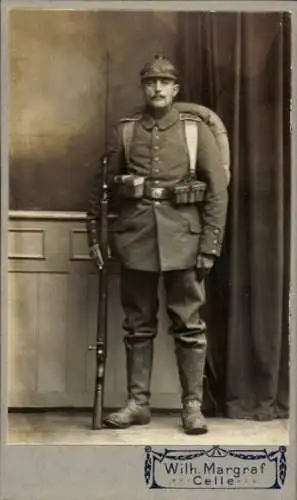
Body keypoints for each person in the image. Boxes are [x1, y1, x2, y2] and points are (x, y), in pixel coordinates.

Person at [86, 54, 229, 435]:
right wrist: (95, 235)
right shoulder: (126, 131)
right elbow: (100, 189)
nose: (158, 88)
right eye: (151, 82)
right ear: (143, 87)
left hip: (185, 239)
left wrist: (210, 245)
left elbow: (218, 192)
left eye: (165, 82)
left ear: (176, 89)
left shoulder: (194, 131)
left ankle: (192, 407)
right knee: (137, 325)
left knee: (189, 326)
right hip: (136, 240)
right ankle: (138, 404)